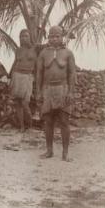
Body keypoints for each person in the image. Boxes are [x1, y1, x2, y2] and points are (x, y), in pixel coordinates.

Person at [36, 26, 76, 162]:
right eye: (51, 36)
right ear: (48, 37)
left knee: (64, 121)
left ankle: (65, 153)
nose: (54, 38)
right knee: (48, 122)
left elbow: (72, 73)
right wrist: (39, 92)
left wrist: (70, 92)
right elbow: (39, 74)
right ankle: (49, 151)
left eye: (57, 36)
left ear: (62, 37)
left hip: (63, 89)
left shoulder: (68, 53)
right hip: (47, 90)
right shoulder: (43, 53)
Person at [9, 29, 38, 132]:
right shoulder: (18, 50)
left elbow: (39, 65)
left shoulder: (36, 49)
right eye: (21, 36)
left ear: (30, 37)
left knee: (25, 103)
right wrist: (9, 76)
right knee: (17, 103)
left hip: (28, 76)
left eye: (26, 36)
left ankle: (29, 126)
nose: (23, 38)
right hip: (17, 75)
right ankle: (21, 126)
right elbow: (15, 63)